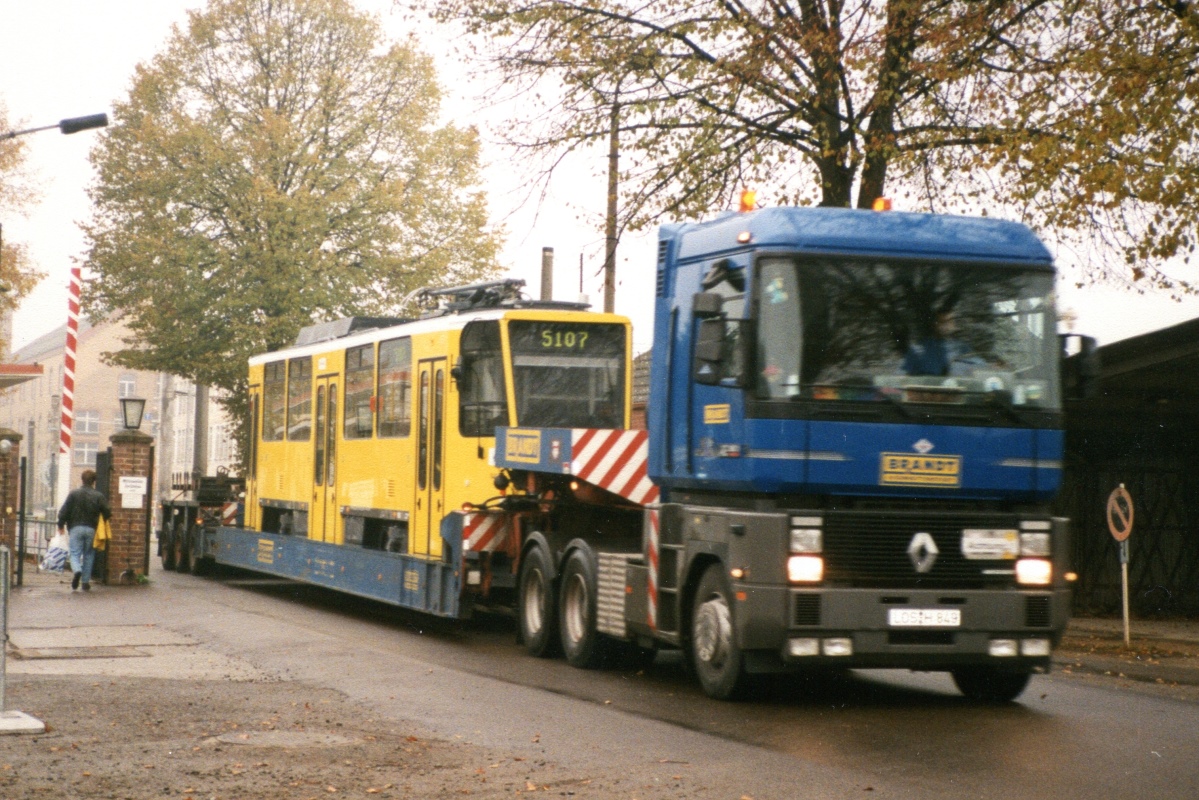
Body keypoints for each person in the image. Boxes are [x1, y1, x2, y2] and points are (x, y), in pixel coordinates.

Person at [57, 469, 112, 592]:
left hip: (75, 528)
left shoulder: (73, 494)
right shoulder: (98, 496)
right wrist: (101, 518)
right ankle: (85, 582)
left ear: (82, 480)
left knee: (74, 553)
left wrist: (60, 525)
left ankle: (77, 570)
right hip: (92, 529)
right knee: (89, 555)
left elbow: (64, 511)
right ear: (94, 481)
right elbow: (108, 511)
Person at [903, 310, 976, 376]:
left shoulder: (962, 348)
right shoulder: (917, 350)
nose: (946, 325)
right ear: (934, 324)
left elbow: (976, 370)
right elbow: (906, 378)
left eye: (950, 321)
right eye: (942, 322)